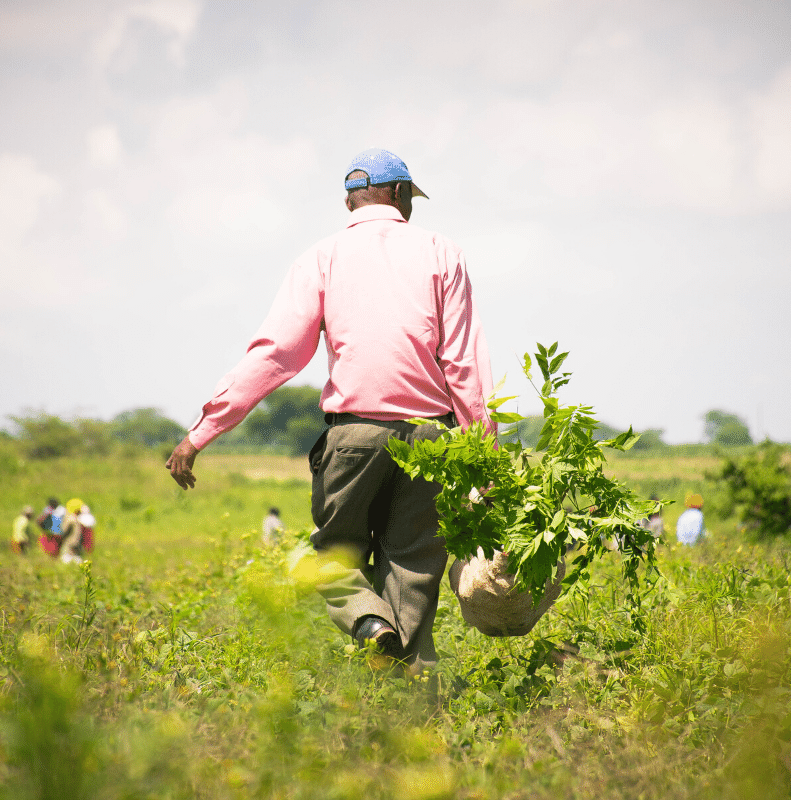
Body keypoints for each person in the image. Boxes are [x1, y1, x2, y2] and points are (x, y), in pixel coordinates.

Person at [166, 148, 496, 676]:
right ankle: (412, 708)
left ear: (350, 201)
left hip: (354, 437)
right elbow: (463, 365)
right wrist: (485, 453)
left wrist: (201, 433)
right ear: (399, 194)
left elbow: (275, 356)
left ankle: (368, 623)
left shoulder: (322, 257)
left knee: (333, 556)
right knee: (411, 573)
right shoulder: (442, 253)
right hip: (432, 443)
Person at [59, 498, 85, 564]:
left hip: (70, 543)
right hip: (74, 543)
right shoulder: (74, 519)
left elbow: (63, 531)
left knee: (68, 559)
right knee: (73, 559)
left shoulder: (70, 518)